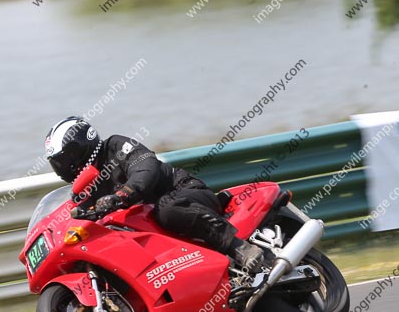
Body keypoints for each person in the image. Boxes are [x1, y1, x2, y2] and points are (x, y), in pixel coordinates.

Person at [44, 116, 264, 271]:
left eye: (63, 160)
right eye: (57, 163)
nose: (62, 167)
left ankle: (238, 248)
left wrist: (122, 195)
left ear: (79, 147)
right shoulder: (87, 186)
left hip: (184, 193)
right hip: (154, 228)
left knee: (167, 209)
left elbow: (145, 167)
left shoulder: (115, 146)